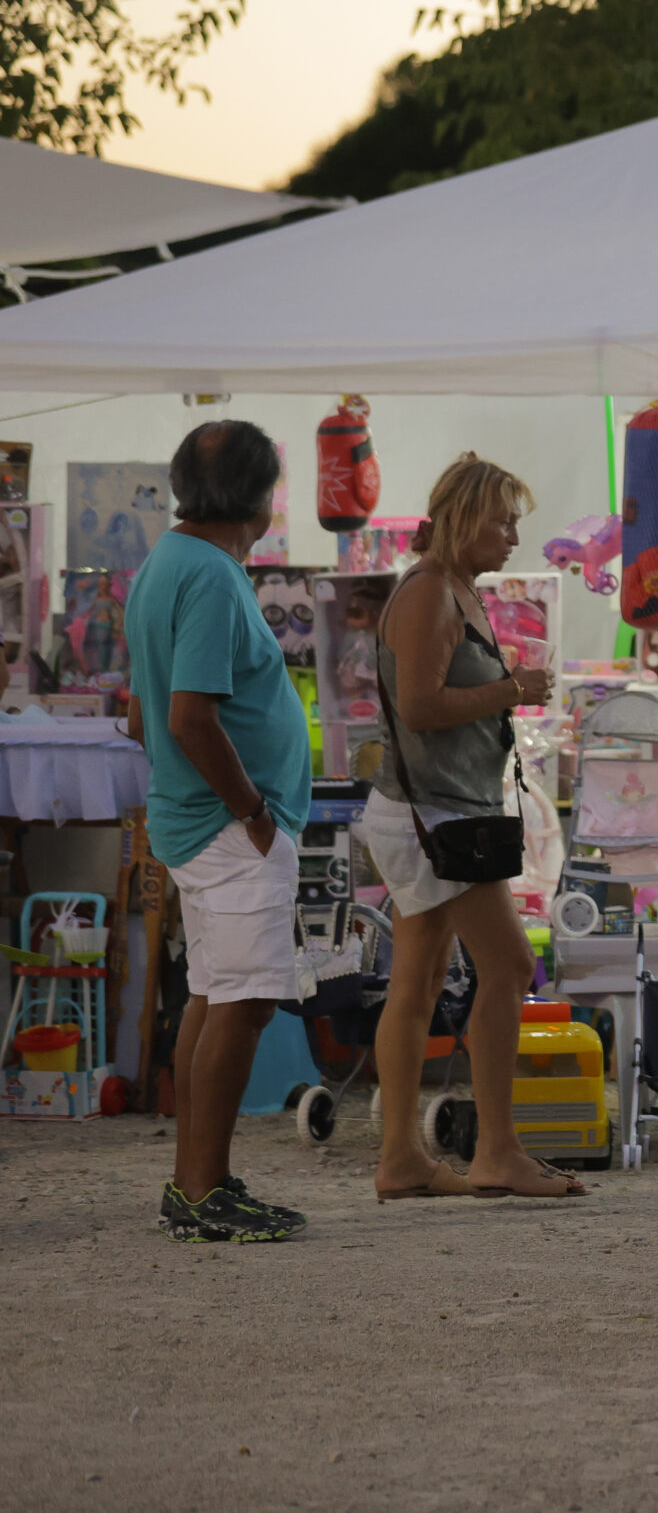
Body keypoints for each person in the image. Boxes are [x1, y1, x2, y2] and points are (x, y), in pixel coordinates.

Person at [361, 454, 580, 1200]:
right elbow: (420, 706)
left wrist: (502, 689)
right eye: (503, 518)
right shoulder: (429, 593)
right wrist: (510, 688)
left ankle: (401, 1159)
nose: (514, 534)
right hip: (435, 815)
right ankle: (497, 1150)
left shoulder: (450, 589)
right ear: (464, 518)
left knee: (417, 983)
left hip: (431, 810)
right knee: (511, 967)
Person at [124, 421, 313, 1242]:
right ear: (258, 495)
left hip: (198, 822)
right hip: (229, 828)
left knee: (213, 996)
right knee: (242, 1003)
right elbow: (187, 716)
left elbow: (142, 717)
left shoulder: (169, 563)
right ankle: (204, 1189)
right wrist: (253, 810)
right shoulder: (209, 576)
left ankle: (196, 1181)